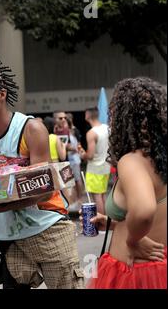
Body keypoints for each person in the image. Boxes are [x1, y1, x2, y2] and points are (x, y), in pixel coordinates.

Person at [0, 61, 83, 289]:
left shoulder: (31, 129)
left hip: (48, 229)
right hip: (9, 238)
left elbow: (42, 190)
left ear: (1, 94)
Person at [86, 77, 166, 289]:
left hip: (135, 274)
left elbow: (144, 211)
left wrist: (132, 240)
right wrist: (114, 223)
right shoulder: (160, 160)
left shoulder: (132, 161)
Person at [78, 107, 110, 214]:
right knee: (102, 195)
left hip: (95, 168)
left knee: (96, 196)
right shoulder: (106, 128)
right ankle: (106, 221)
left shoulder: (91, 133)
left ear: (87, 115)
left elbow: (90, 155)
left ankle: (101, 224)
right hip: (106, 166)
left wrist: (83, 155)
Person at [66, 115, 83, 205]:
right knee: (72, 181)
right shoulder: (65, 132)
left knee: (77, 179)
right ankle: (76, 198)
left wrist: (75, 150)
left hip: (75, 159)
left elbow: (78, 145)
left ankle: (80, 198)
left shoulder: (74, 131)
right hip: (70, 160)